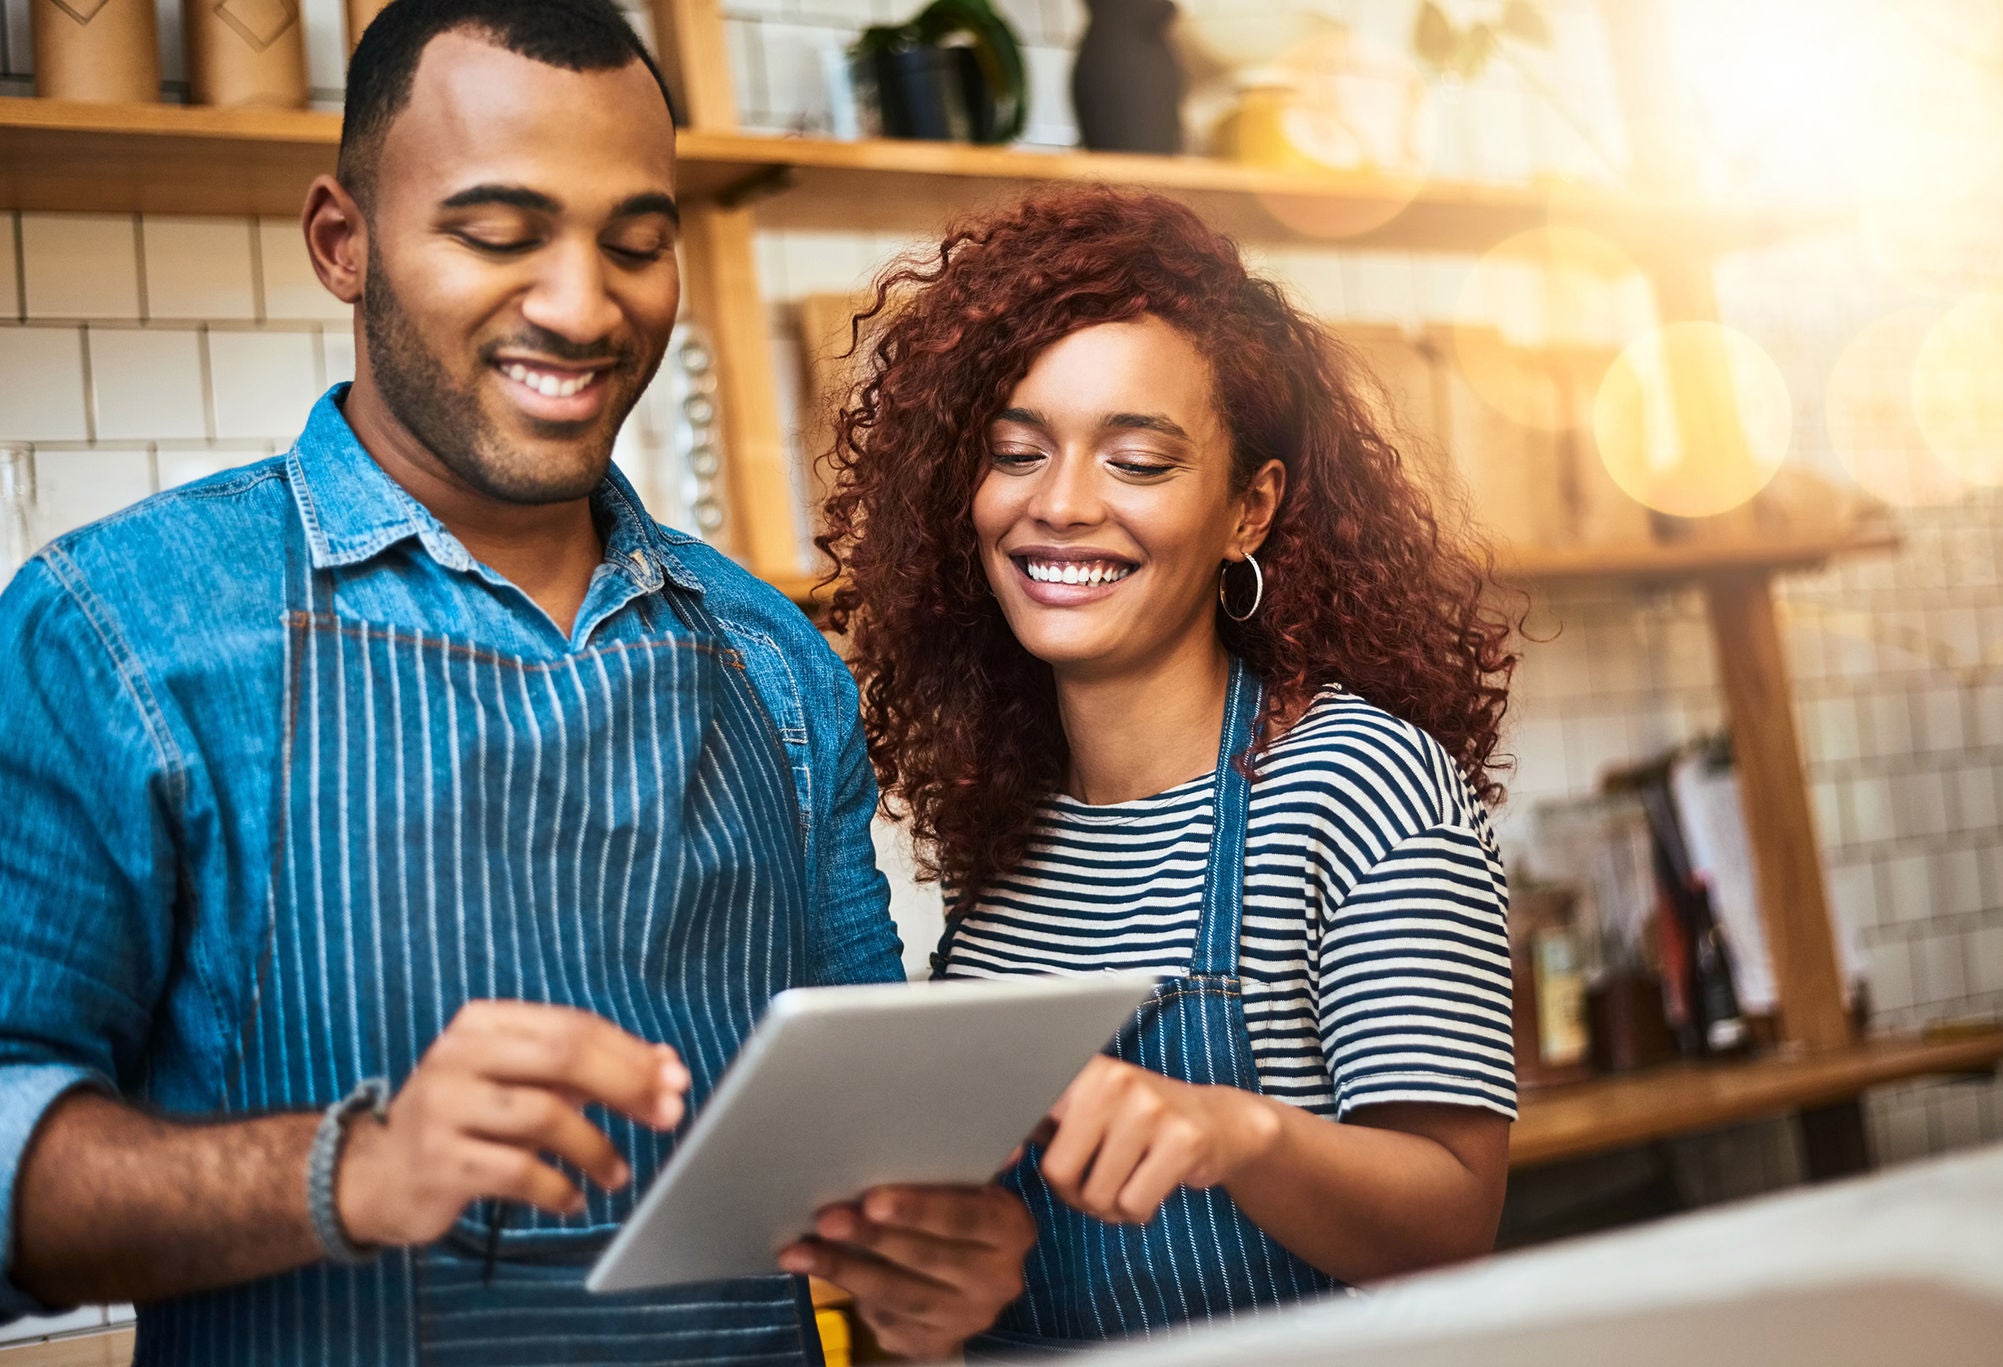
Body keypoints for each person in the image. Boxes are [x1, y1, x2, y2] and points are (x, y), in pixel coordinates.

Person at [0, 2, 1031, 1361]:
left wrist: (930, 1267)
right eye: (498, 234)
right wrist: (349, 1167)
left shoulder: (773, 660)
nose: (581, 303)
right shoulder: (115, 629)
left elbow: (866, 1152)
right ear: (342, 241)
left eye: (637, 241)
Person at [818, 186, 1520, 1352]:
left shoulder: (1355, 782)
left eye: (1136, 459)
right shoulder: (1009, 819)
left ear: (1248, 508)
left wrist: (1235, 1133)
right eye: (1015, 451)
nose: (1060, 504)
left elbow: (1452, 1214)